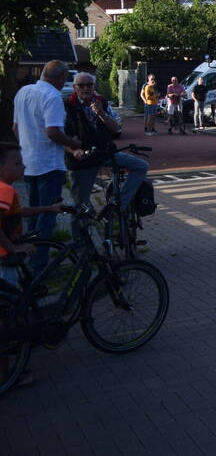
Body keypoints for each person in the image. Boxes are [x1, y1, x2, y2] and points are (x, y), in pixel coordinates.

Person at [0, 142, 65, 389]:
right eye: (16, 163)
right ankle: (9, 375)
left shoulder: (7, 191)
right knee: (7, 319)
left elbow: (19, 212)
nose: (22, 166)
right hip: (5, 261)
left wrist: (48, 208)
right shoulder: (5, 191)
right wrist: (14, 247)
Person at [12, 60, 82, 271]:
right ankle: (39, 266)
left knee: (33, 214)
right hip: (49, 165)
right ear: (59, 78)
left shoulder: (23, 92)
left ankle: (28, 257)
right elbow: (52, 132)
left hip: (29, 162)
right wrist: (74, 143)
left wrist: (26, 147)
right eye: (64, 79)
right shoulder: (52, 96)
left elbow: (15, 128)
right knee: (48, 215)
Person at [64, 73, 150, 210]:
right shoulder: (67, 106)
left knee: (141, 166)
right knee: (80, 207)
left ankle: (119, 206)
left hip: (105, 153)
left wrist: (101, 113)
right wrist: (74, 151)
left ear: (94, 86)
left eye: (89, 85)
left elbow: (116, 129)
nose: (85, 88)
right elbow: (60, 137)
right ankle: (83, 228)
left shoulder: (102, 103)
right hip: (83, 160)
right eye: (81, 85)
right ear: (75, 88)